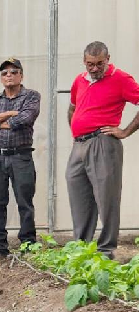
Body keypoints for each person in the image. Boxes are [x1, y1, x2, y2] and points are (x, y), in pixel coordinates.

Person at [66, 41, 139, 259]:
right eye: (90, 64)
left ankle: (106, 248)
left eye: (99, 64)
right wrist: (76, 132)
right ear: (84, 61)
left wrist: (125, 131)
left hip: (103, 142)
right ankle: (82, 247)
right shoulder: (79, 80)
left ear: (108, 59)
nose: (95, 68)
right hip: (79, 144)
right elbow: (72, 107)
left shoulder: (121, 79)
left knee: (107, 197)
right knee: (78, 195)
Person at [0, 58, 41, 265]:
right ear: (1, 77)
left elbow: (24, 119)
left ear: (21, 75)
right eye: (4, 72)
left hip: (20, 156)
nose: (9, 75)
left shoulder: (31, 96)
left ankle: (28, 246)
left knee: (25, 201)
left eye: (13, 72)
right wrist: (8, 114)